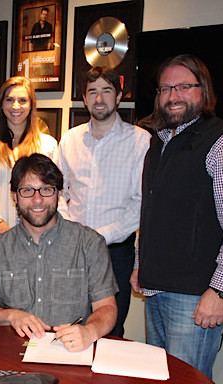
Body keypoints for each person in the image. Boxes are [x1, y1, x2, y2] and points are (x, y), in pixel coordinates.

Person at [130, 54, 223, 379]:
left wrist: (219, 292)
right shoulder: (158, 144)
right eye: (165, 89)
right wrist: (139, 264)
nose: (172, 96)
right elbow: (152, 214)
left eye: (183, 87)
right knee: (161, 377)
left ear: (203, 91)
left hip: (195, 296)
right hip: (156, 290)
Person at [0, 153, 118, 352]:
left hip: (71, 352)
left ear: (59, 193)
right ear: (15, 196)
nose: (37, 200)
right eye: (27, 190)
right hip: (13, 354)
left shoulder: (89, 243)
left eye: (46, 189)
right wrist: (10, 315)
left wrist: (89, 331)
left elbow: (106, 307)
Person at [55, 66, 151, 337]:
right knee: (67, 324)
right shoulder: (70, 139)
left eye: (106, 91)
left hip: (115, 253)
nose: (99, 99)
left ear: (119, 96)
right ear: (84, 99)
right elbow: (58, 192)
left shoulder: (140, 141)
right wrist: (74, 231)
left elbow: (140, 204)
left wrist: (98, 236)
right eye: (92, 92)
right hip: (72, 251)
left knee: (110, 330)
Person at [0, 76, 57, 249]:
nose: (16, 106)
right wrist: (2, 226)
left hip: (33, 235)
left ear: (31, 105)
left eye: (22, 100)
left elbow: (52, 194)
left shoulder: (48, 145)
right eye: (9, 100)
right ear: (1, 104)